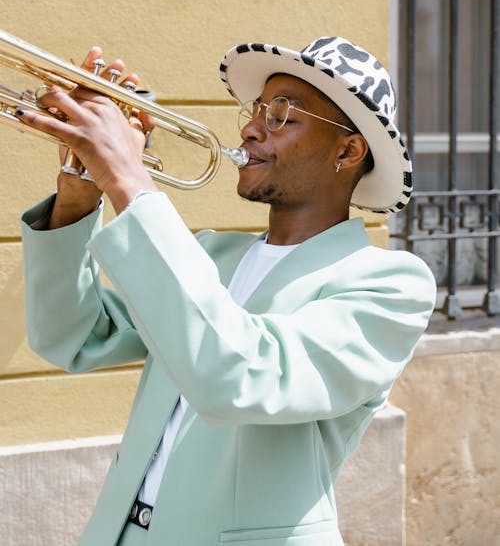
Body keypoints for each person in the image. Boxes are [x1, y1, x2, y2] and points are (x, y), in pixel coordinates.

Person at [18, 36, 436, 546]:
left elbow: (241, 377)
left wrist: (127, 176)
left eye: (282, 114)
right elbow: (72, 336)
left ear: (348, 150)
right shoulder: (210, 255)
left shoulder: (388, 284)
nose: (251, 127)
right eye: (257, 108)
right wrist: (80, 191)